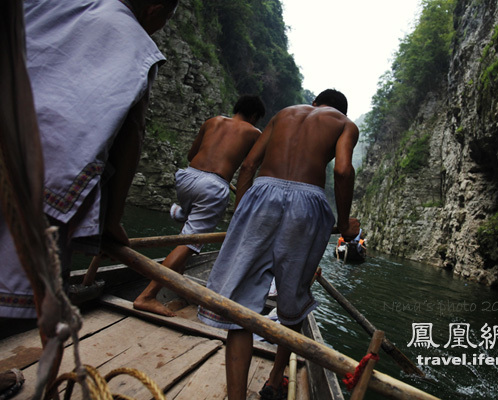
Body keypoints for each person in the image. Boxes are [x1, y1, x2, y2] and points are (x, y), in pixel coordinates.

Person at [0, 0, 178, 319]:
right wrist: (109, 222)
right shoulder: (138, 46)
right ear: (155, 7)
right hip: (41, 178)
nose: (163, 25)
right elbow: (131, 135)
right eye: (167, 16)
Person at [198, 89, 361, 400]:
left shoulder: (284, 113)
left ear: (314, 104)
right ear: (343, 111)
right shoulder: (345, 125)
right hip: (309, 202)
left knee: (240, 307)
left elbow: (248, 166)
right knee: (292, 303)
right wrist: (343, 224)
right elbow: (342, 170)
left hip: (261, 194)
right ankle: (274, 381)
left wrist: (241, 212)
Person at [133, 95, 265, 317]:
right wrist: (240, 208)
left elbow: (191, 155)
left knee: (187, 233)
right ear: (254, 116)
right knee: (191, 242)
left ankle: (177, 281)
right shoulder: (254, 133)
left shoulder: (212, 121)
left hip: (186, 178)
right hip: (213, 186)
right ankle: (147, 296)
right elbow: (247, 169)